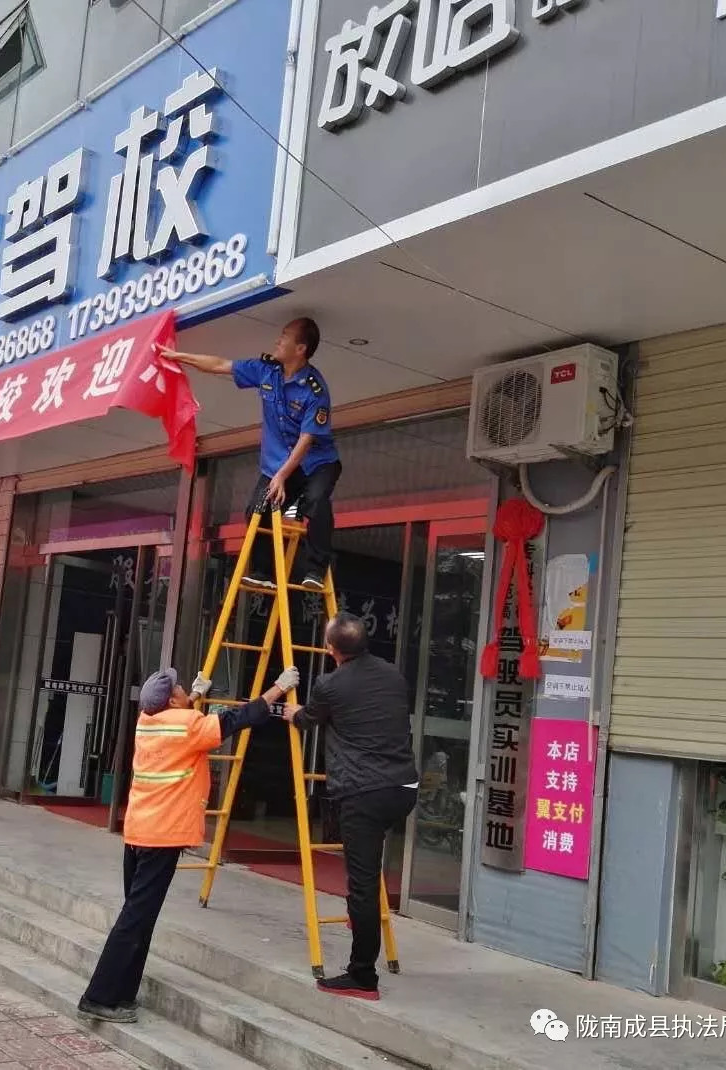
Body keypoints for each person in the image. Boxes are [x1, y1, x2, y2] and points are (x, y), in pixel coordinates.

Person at [78, 662, 300, 1024]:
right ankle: (98, 996)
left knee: (139, 917)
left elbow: (179, 720)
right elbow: (236, 719)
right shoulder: (187, 725)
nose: (185, 690)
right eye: (181, 689)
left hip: (137, 833)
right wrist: (277, 688)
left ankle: (122, 994)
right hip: (162, 836)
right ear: (173, 700)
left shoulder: (147, 722)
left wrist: (197, 693)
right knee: (134, 920)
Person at [282, 613, 418, 1001]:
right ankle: (361, 922)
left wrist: (294, 715)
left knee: (361, 886)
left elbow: (309, 718)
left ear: (331, 649)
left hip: (365, 792)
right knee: (367, 873)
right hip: (404, 788)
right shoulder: (393, 674)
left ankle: (363, 977)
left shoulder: (329, 684)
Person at [157, 318, 341, 590]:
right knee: (257, 508)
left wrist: (280, 477)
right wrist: (178, 357)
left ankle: (315, 570)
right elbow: (221, 365)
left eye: (284, 336)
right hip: (279, 465)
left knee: (316, 501)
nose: (278, 341)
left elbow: (307, 439)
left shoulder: (315, 388)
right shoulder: (267, 371)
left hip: (317, 464)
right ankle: (264, 573)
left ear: (300, 348)